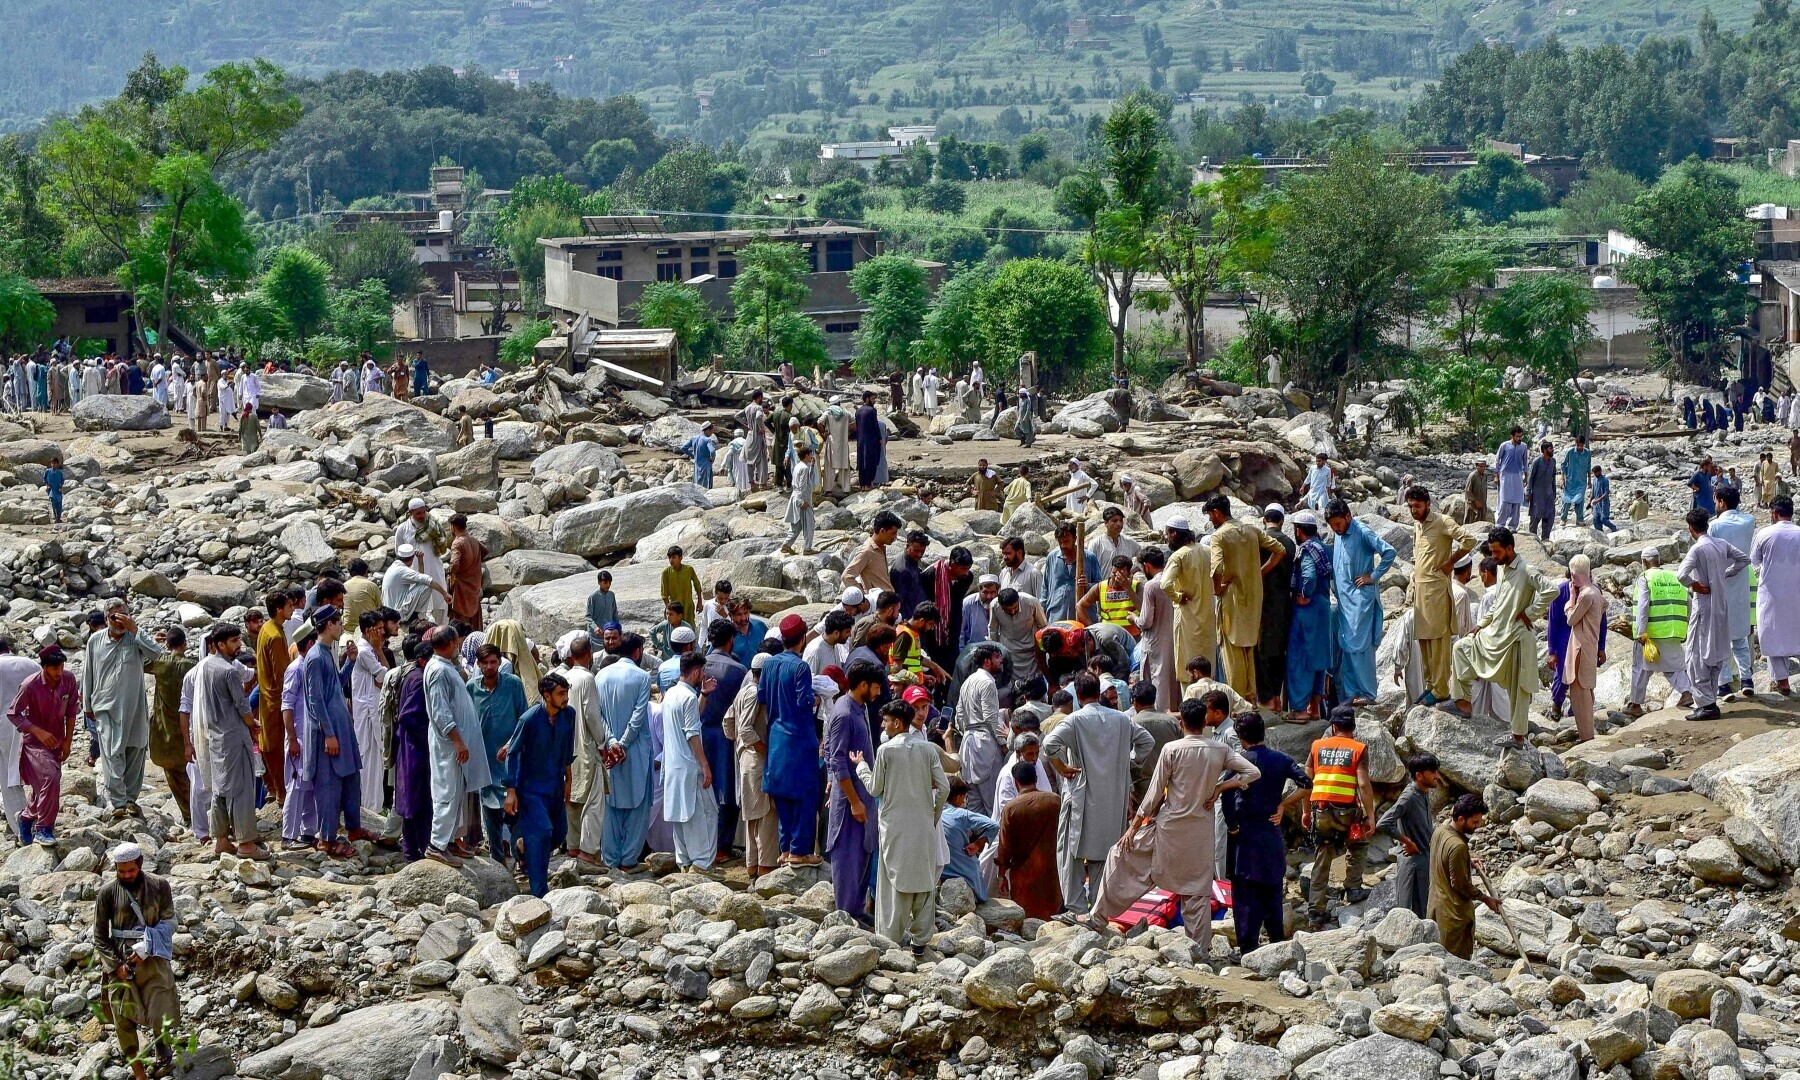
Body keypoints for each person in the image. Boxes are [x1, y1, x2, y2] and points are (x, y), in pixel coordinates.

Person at [1088, 689, 1257, 948]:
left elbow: (1154, 793)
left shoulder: (1171, 749)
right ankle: (1200, 951)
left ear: (1181, 723)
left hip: (1168, 829)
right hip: (1201, 830)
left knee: (1120, 858)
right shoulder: (1219, 749)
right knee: (1197, 891)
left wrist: (1133, 827)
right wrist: (1222, 788)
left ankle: (1098, 918)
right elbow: (1252, 772)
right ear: (1204, 722)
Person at [1042, 672, 1155, 911]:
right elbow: (1147, 742)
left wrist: (1062, 768)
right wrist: (1128, 761)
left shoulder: (1074, 720)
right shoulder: (1122, 720)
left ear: (1078, 695)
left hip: (1081, 796)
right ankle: (1098, 907)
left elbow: (1049, 744)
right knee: (1104, 854)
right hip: (1113, 798)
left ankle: (1075, 906)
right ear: (1099, 693)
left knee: (1070, 852)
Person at [850, 700, 949, 950]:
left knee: (893, 881)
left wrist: (861, 766)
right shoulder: (927, 749)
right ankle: (920, 942)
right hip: (923, 825)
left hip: (894, 826)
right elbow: (944, 787)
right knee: (923, 881)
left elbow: (874, 788)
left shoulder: (886, 751)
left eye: (886, 721)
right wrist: (933, 815)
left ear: (897, 722)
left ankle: (889, 940)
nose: (884, 725)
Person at [1442, 527, 1556, 743]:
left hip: (1517, 638)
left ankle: (1518, 736)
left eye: (1496, 552)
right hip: (1495, 635)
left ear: (1509, 548)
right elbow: (1500, 603)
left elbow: (1551, 590)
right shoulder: (1502, 570)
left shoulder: (1526, 570)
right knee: (1461, 648)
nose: (1493, 556)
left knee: (1518, 688)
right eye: (1491, 552)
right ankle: (1463, 702)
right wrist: (1482, 624)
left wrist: (1530, 613)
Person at [1219, 710, 1309, 949]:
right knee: (1272, 888)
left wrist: (1232, 824)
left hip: (1244, 833)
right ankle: (1277, 943)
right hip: (1270, 829)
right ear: (1263, 732)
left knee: (1246, 892)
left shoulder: (1239, 762)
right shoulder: (1281, 759)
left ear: (1240, 736)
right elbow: (1306, 783)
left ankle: (1248, 947)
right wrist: (1284, 804)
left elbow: (1225, 791)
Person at [95, 842, 179, 1080]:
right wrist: (115, 965)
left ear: (140, 864)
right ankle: (139, 1073)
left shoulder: (159, 886)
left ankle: (162, 1046)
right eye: (121, 872)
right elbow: (100, 936)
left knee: (160, 1004)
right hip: (121, 961)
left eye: (130, 871)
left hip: (152, 958)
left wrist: (147, 945)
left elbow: (171, 921)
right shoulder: (107, 893)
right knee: (122, 1017)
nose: (126, 875)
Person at [83, 600, 166, 817]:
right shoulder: (95, 641)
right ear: (106, 619)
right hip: (105, 707)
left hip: (134, 706)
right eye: (114, 617)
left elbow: (156, 654)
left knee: (135, 751)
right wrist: (87, 705)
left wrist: (135, 629)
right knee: (111, 753)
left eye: (123, 616)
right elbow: (88, 673)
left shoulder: (135, 638)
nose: (118, 621)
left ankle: (131, 800)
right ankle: (118, 802)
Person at [1205, 495, 1283, 700]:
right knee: (1249, 649)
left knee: (1231, 652)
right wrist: (1260, 572)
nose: (1211, 521)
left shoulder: (1219, 536)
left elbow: (1216, 568)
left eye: (1211, 516)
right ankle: (1251, 699)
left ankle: (1238, 701)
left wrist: (1218, 589)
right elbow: (1279, 550)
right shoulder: (1252, 529)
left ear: (1217, 513)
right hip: (1253, 598)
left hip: (1231, 600)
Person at [198, 622, 264, 858]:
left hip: (216, 736)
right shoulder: (228, 671)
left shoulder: (206, 666)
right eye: (234, 641)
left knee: (221, 789)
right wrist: (252, 723)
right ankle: (246, 843)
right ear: (219, 644)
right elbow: (243, 705)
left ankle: (221, 840)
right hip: (234, 736)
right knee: (242, 790)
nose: (238, 646)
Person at [424, 625, 489, 865]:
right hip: (449, 746)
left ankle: (450, 840)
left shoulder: (446, 667)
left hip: (455, 745)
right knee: (447, 793)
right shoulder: (438, 672)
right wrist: (458, 741)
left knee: (458, 791)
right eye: (457, 643)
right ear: (451, 643)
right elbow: (441, 713)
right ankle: (436, 844)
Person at [1303, 705, 1374, 923]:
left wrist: (1306, 811)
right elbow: (1362, 783)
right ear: (1352, 726)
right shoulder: (1358, 748)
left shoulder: (1317, 746)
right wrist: (1370, 814)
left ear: (1333, 727)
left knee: (1323, 853)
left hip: (1321, 810)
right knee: (1358, 844)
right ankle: (1353, 887)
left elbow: (1306, 782)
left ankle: (1316, 909)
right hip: (1347, 811)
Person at [1679, 507, 1750, 721]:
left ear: (1691, 529)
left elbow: (1681, 575)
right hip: (1721, 606)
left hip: (1703, 608)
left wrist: (1694, 585)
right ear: (1707, 525)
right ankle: (1710, 701)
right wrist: (1724, 575)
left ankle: (1707, 704)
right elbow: (1744, 559)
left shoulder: (1697, 549)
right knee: (1717, 652)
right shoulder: (1720, 544)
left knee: (1696, 655)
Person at [826, 659, 884, 922]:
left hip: (864, 794)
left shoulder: (858, 708)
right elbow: (836, 759)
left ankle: (857, 909)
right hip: (852, 799)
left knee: (864, 852)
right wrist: (854, 801)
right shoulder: (844, 713)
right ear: (863, 685)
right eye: (875, 687)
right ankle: (845, 914)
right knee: (848, 856)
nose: (879, 692)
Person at [1407, 486, 1476, 707]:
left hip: (1437, 591)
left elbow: (1469, 540)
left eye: (1417, 506)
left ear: (1428, 504)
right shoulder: (1417, 525)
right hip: (1421, 592)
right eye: (1410, 506)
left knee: (1438, 640)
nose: (1413, 510)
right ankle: (1430, 685)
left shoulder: (1443, 521)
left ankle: (1441, 689)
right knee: (1424, 640)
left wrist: (1451, 561)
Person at [760, 615, 820, 864]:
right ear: (803, 638)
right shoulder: (800, 667)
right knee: (806, 795)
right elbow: (804, 701)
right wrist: (817, 698)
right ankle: (799, 851)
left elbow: (762, 696)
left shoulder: (769, 664)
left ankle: (785, 850)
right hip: (799, 738)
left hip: (776, 738)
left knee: (783, 795)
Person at [7, 647, 80, 844]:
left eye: (61, 667)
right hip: (35, 744)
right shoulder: (30, 685)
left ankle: (26, 817)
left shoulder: (68, 679)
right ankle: (43, 828)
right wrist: (38, 731)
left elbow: (72, 710)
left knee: (43, 786)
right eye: (54, 668)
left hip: (57, 741)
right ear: (44, 667)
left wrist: (68, 741)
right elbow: (13, 713)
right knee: (51, 777)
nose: (59, 672)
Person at [1326, 499, 1395, 706]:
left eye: (1338, 524)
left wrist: (1372, 576)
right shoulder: (1339, 534)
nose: (1336, 529)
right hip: (1344, 600)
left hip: (1359, 601)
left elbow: (1389, 552)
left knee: (1360, 647)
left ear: (1348, 516)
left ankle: (1367, 693)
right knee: (1346, 647)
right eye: (1332, 526)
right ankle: (1351, 694)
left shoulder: (1362, 531)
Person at [661, 652, 718, 870]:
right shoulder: (685, 697)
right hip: (690, 766)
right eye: (701, 672)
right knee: (706, 814)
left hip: (674, 766)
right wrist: (704, 765)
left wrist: (703, 694)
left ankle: (684, 861)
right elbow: (692, 733)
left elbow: (691, 717)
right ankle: (702, 864)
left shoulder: (671, 694)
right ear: (696, 672)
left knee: (681, 816)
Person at [1429, 794, 1500, 959]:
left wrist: (1467, 861)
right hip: (1453, 916)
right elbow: (1460, 884)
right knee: (1454, 963)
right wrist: (1485, 898)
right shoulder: (1458, 846)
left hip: (1435, 906)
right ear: (1461, 819)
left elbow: (1443, 861)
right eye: (1474, 822)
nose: (1478, 826)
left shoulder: (1440, 831)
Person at [1625, 548, 1694, 717]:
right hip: (1673, 630)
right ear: (1659, 561)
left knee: (1641, 668)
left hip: (1652, 632)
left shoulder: (1646, 577)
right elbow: (1689, 602)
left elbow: (1643, 605)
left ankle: (1635, 704)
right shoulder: (1674, 576)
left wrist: (1641, 631)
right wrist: (1688, 626)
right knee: (1675, 667)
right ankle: (1687, 693)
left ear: (1645, 563)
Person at [995, 758, 1062, 918]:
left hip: (1024, 877)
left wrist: (1001, 875)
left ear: (1015, 781)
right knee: (1054, 919)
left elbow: (1004, 846)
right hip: (1054, 871)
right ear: (1036, 779)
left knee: (1028, 921)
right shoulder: (1055, 801)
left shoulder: (1011, 809)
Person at [1376, 753, 1441, 918]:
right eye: (1432, 772)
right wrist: (1407, 841)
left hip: (1425, 861)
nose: (1437, 776)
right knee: (1407, 913)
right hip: (1412, 863)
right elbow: (1383, 823)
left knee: (1424, 912)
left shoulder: (1424, 793)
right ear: (1419, 775)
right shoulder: (1409, 796)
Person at [145, 628, 196, 828]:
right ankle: (200, 815)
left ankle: (188, 815)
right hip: (190, 727)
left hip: (165, 730)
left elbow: (142, 659)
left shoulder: (160, 663)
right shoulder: (193, 666)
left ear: (168, 644)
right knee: (194, 775)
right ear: (185, 643)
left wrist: (153, 644)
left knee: (173, 774)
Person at [1709, 487, 1757, 699]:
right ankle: (1747, 679)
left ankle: (1725, 684)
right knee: (1740, 636)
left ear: (1721, 502)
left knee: (1721, 639)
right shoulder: (1749, 521)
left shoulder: (1715, 526)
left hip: (1721, 583)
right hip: (1741, 582)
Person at [1157, 516, 1215, 691]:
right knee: (1208, 668)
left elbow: (1165, 584)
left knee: (1187, 667)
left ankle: (1191, 706)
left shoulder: (1179, 556)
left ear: (1174, 533)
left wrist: (1177, 597)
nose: (1166, 538)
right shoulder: (1208, 551)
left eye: (1167, 534)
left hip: (1187, 618)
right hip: (1208, 617)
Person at [1752, 496, 1800, 695]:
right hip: (1796, 591)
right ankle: (1779, 681)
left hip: (1771, 594)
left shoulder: (1765, 534)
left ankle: (1782, 681)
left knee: (1772, 635)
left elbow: (1754, 560)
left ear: (1774, 513)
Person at [956, 644, 1006, 814]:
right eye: (997, 657)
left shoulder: (967, 682)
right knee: (994, 805)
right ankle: (994, 841)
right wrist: (1003, 742)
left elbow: (959, 716)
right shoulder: (987, 683)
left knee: (974, 807)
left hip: (968, 744)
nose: (1001, 661)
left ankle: (978, 839)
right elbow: (991, 717)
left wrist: (967, 734)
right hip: (985, 745)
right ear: (987, 661)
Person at [1563, 555, 1605, 741]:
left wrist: (1571, 599)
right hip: (1590, 644)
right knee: (1585, 689)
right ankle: (1586, 734)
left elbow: (1571, 619)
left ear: (1574, 574)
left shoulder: (1586, 594)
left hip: (1580, 646)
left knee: (1579, 692)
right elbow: (1605, 605)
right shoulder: (1595, 591)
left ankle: (1586, 735)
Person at [940, 779, 1000, 900]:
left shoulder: (934, 813)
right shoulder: (961, 815)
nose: (964, 801)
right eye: (964, 798)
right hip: (966, 874)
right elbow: (994, 825)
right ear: (958, 798)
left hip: (941, 872)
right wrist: (978, 844)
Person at [382, 543, 446, 622]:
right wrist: (444, 594)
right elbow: (427, 579)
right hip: (398, 614)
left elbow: (420, 577)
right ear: (411, 559)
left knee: (422, 583)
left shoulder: (394, 567)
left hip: (390, 611)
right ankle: (414, 616)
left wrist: (420, 559)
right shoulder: (403, 570)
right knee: (426, 586)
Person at [844, 511, 900, 598]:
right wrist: (863, 598)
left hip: (889, 602)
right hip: (877, 605)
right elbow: (847, 576)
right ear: (882, 531)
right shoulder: (867, 551)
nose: (895, 537)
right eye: (893, 533)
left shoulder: (880, 548)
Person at [447, 514, 487, 630]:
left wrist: (450, 572)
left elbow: (454, 564)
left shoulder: (457, 543)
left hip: (461, 587)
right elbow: (485, 552)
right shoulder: (474, 541)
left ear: (453, 527)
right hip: (474, 584)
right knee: (474, 618)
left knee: (460, 621)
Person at [782, 444, 818, 554]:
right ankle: (807, 548)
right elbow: (802, 486)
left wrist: (812, 466)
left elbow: (806, 482)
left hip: (796, 498)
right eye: (810, 454)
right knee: (809, 525)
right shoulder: (804, 468)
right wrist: (802, 501)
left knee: (796, 525)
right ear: (806, 455)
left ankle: (786, 544)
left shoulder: (799, 466)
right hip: (803, 500)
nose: (811, 456)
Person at [1494, 427, 1528, 529]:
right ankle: (1500, 524)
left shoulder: (1523, 446)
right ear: (1512, 436)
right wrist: (1496, 476)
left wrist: (1526, 476)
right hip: (1505, 476)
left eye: (1520, 436)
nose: (1519, 438)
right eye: (1517, 436)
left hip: (1518, 475)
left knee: (1517, 501)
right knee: (1505, 500)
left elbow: (1525, 461)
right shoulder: (1504, 445)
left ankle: (1513, 526)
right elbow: (1497, 460)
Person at [1525, 439, 1556, 542]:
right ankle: (1532, 538)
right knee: (1535, 516)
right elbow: (1531, 478)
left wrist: (1554, 492)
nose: (1552, 450)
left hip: (1549, 493)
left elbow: (1553, 477)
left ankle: (1545, 537)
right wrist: (1528, 492)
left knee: (1549, 516)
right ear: (1544, 450)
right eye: (1550, 448)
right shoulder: (1537, 462)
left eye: (1552, 448)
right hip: (1538, 494)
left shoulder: (1553, 461)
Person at [821, 398, 853, 496]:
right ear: (839, 403)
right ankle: (846, 489)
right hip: (843, 442)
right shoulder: (846, 413)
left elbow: (819, 422)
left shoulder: (828, 413)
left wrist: (824, 433)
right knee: (844, 466)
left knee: (829, 466)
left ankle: (828, 489)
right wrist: (848, 432)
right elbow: (855, 424)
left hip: (832, 442)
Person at [854, 390, 884, 489]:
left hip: (861, 440)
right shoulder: (872, 411)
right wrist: (880, 438)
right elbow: (875, 426)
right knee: (871, 461)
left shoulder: (858, 411)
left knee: (862, 461)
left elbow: (857, 427)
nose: (874, 401)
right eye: (873, 398)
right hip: (871, 440)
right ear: (867, 399)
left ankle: (862, 484)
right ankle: (868, 484)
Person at [1559, 435, 1591, 525]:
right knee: (1567, 500)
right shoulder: (1570, 452)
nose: (1580, 447)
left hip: (1582, 481)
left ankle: (1580, 519)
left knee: (1580, 500)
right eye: (1578, 445)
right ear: (1575, 444)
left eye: (1581, 445)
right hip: (1570, 480)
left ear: (1584, 445)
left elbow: (1589, 467)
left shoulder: (1587, 453)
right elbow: (1563, 465)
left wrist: (1589, 480)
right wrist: (1562, 478)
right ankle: (1563, 518)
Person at [682, 421, 717, 487]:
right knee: (706, 484)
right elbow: (712, 451)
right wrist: (712, 458)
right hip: (706, 464)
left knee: (696, 483)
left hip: (697, 464)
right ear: (708, 430)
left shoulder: (694, 438)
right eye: (711, 430)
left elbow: (683, 448)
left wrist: (692, 455)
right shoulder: (707, 440)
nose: (712, 433)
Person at [43, 455, 64, 524]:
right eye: (52, 463)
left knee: (59, 505)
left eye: (54, 463)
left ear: (57, 464)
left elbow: (62, 481)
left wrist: (60, 488)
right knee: (53, 503)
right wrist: (47, 485)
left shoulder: (59, 472)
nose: (53, 464)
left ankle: (58, 518)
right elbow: (44, 479)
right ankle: (55, 517)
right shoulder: (48, 471)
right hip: (51, 490)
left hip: (58, 490)